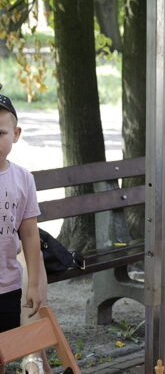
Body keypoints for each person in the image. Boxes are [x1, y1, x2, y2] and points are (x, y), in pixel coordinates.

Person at [0, 93, 43, 374]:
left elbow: (29, 233)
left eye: (0, 132)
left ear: (15, 134)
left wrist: (35, 284)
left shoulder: (23, 178)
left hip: (7, 285)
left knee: (3, 353)